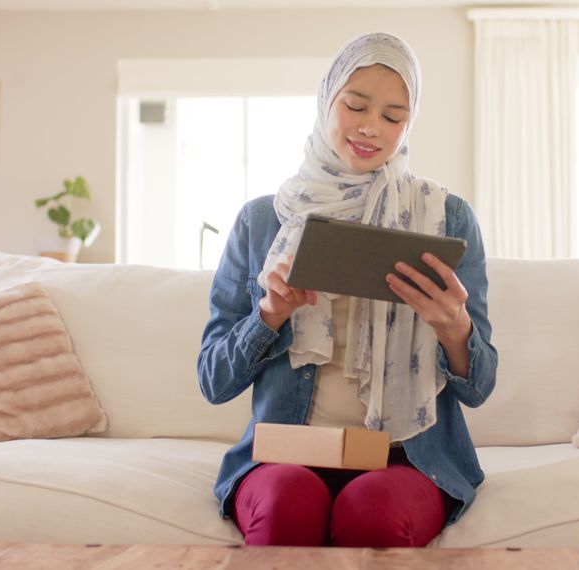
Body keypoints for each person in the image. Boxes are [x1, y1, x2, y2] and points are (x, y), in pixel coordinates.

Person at [197, 32, 497, 548]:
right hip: (285, 453)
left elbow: (480, 387)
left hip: (406, 459)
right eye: (355, 105)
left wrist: (454, 330)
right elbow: (213, 381)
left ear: (409, 124)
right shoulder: (263, 221)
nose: (369, 128)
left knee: (373, 511)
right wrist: (267, 316)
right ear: (326, 99)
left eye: (393, 116)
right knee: (287, 499)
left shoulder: (445, 217)